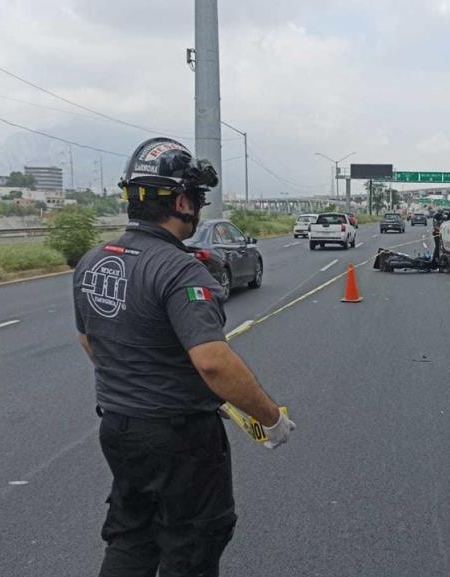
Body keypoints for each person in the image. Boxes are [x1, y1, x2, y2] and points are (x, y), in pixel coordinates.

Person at [73, 137, 295, 577]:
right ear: (179, 200)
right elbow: (212, 361)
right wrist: (270, 418)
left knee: (131, 536)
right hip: (179, 438)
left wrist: (135, 380)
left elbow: (90, 343)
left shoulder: (93, 261)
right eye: (195, 197)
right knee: (192, 543)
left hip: (118, 427)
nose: (197, 207)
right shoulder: (181, 269)